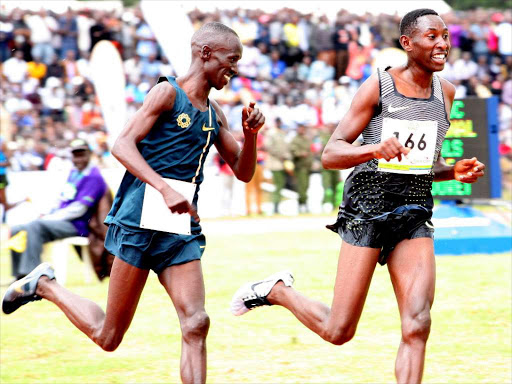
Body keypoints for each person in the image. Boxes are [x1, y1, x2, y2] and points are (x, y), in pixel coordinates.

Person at [230, 9, 485, 384]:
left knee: (418, 322)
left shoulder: (446, 92)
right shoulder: (379, 86)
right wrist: (374, 149)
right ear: (407, 43)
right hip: (369, 203)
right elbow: (331, 154)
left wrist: (451, 171)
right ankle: (276, 291)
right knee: (339, 330)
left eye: (445, 36)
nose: (442, 44)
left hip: (414, 207)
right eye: (432, 36)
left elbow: (425, 162)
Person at [3, 22, 264, 384]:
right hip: (140, 218)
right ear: (205, 53)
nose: (235, 68)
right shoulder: (166, 94)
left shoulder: (213, 113)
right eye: (231, 59)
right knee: (108, 337)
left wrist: (250, 136)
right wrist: (163, 189)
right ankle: (45, 284)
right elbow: (121, 145)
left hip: (179, 225)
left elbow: (243, 170)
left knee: (197, 322)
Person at [6, 139, 106, 280]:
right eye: (75, 155)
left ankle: (31, 276)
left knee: (35, 226)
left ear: (89, 154)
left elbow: (79, 209)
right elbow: (62, 199)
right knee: (18, 228)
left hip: (77, 225)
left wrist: (49, 218)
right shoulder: (74, 172)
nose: (78, 159)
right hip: (60, 221)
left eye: (81, 154)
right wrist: (47, 213)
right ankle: (18, 275)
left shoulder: (94, 176)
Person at [290, 123, 313, 213]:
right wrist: (301, 153)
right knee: (302, 187)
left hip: (307, 166)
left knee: (306, 186)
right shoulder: (295, 140)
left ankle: (304, 204)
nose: (302, 130)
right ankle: (302, 205)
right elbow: (293, 151)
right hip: (300, 167)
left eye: (303, 129)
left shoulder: (306, 139)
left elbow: (310, 151)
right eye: (300, 129)